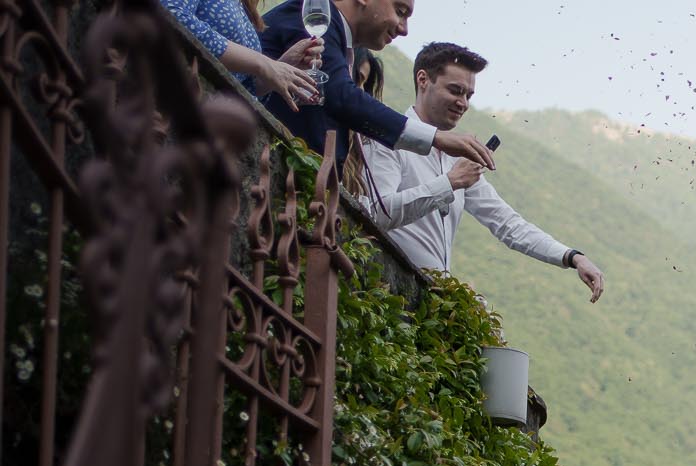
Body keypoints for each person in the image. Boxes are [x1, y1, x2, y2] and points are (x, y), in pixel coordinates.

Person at [359, 43, 605, 301]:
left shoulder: (458, 159)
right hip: (386, 294)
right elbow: (376, 213)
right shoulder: (388, 140)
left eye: (469, 95)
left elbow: (507, 223)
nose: (462, 103)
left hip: (429, 303)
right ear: (423, 80)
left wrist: (572, 256)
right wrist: (449, 183)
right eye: (455, 90)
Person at [257, 0, 493, 174]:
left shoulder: (337, 38)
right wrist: (436, 138)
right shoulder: (316, 17)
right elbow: (341, 97)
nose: (404, 29)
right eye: (400, 12)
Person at [160, 0, 320, 110]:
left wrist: (282, 67)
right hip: (180, 107)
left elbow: (241, 85)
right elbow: (172, 17)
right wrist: (262, 64)